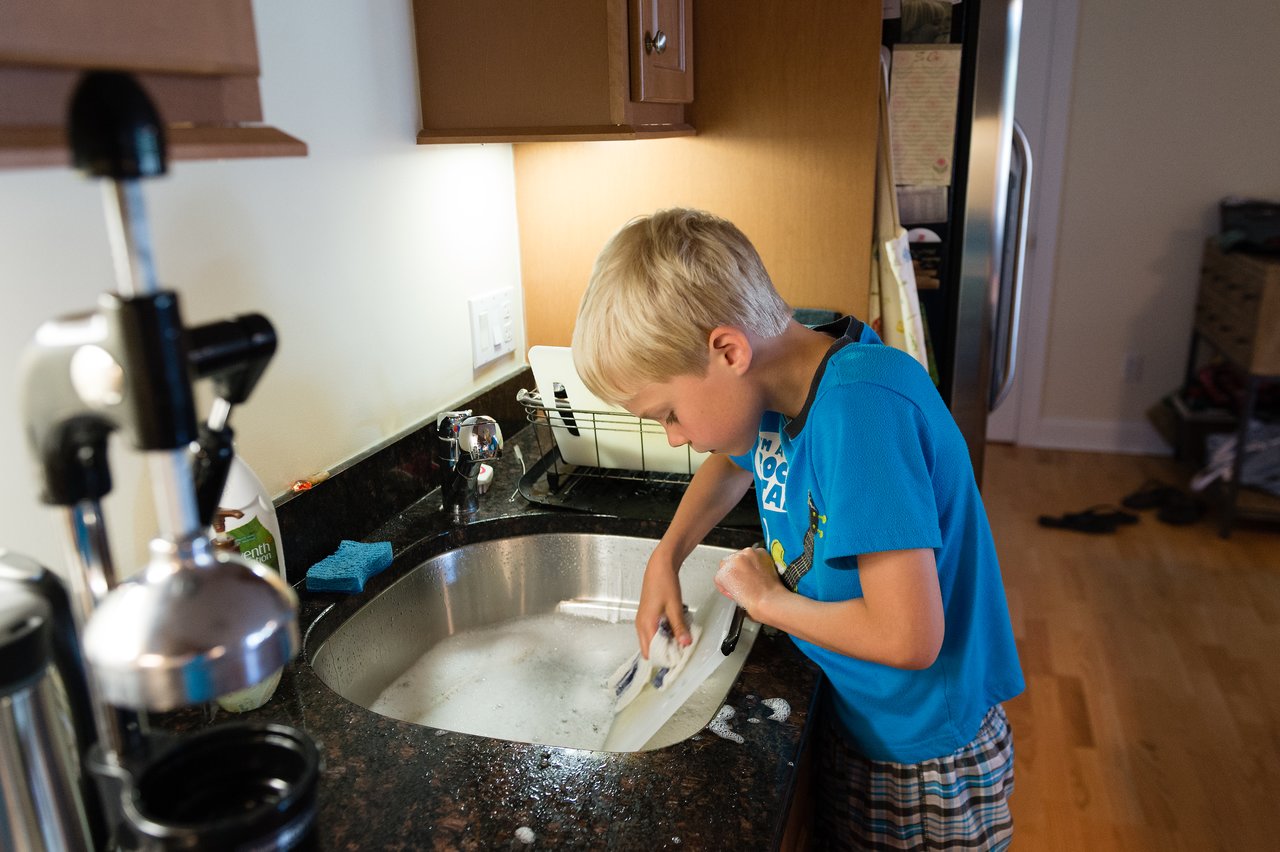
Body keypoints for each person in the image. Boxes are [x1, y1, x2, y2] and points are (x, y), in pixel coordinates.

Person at [571, 208, 1025, 850]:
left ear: (728, 350)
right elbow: (736, 460)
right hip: (867, 714)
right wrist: (665, 558)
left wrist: (768, 601)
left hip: (919, 754)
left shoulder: (860, 413)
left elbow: (910, 639)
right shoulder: (791, 359)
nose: (674, 437)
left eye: (668, 414)